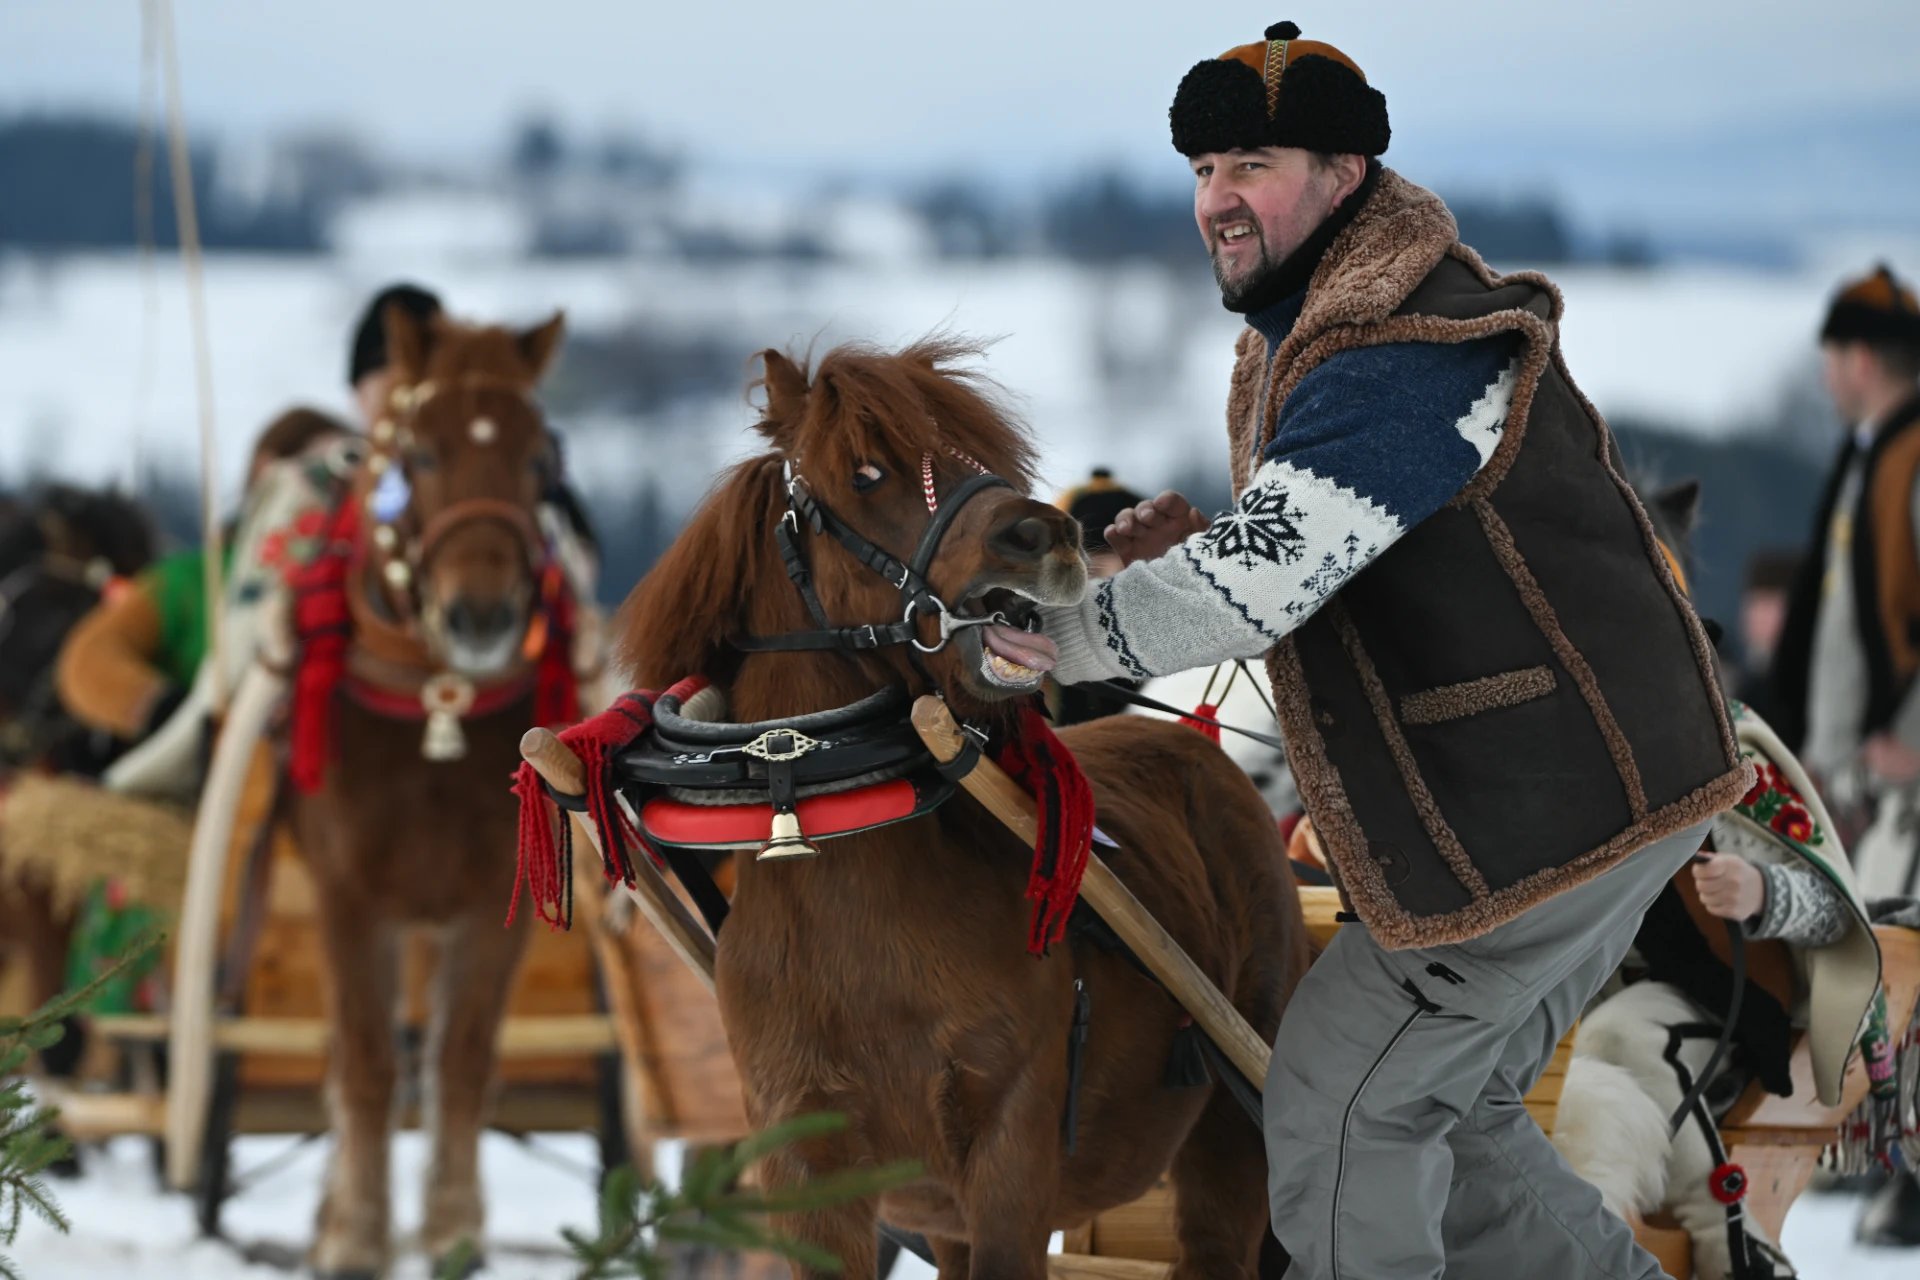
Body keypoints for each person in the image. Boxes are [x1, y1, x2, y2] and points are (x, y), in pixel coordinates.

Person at [1036, 22, 1748, 1277]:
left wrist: (1052, 636)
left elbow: (1266, 578)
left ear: (1345, 174)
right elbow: (1338, 552)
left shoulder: (1408, 345)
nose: (1217, 200)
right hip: (1602, 790)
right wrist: (1200, 554)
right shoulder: (1333, 329)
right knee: (1447, 1120)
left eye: (1252, 166)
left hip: (1544, 809)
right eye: (1203, 169)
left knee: (1343, 1099)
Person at [1552, 701, 1883, 1280]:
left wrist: (1762, 892)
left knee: (1623, 1038)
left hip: (1726, 1012)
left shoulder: (1725, 745)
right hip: (1577, 1012)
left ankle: (1731, 1241)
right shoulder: (1553, 759)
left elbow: (1835, 910)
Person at [1769, 262, 1920, 1245]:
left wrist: (1910, 738)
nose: (1827, 375)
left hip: (1905, 775)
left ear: (1859, 358)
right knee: (1873, 962)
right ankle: (1868, 1152)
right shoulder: (1879, 456)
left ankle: (1906, 1175)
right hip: (1864, 774)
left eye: (1832, 356)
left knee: (1902, 963)